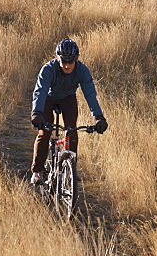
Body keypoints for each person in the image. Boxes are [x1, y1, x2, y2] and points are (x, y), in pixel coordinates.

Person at [30, 38, 107, 184]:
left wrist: (99, 117)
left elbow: (90, 94)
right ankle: (37, 171)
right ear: (58, 59)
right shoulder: (48, 69)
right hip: (48, 98)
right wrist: (37, 113)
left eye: (70, 62)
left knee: (71, 130)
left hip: (67, 97)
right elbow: (40, 92)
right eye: (63, 61)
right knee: (45, 131)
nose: (66, 65)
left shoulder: (82, 71)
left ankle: (69, 168)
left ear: (76, 59)